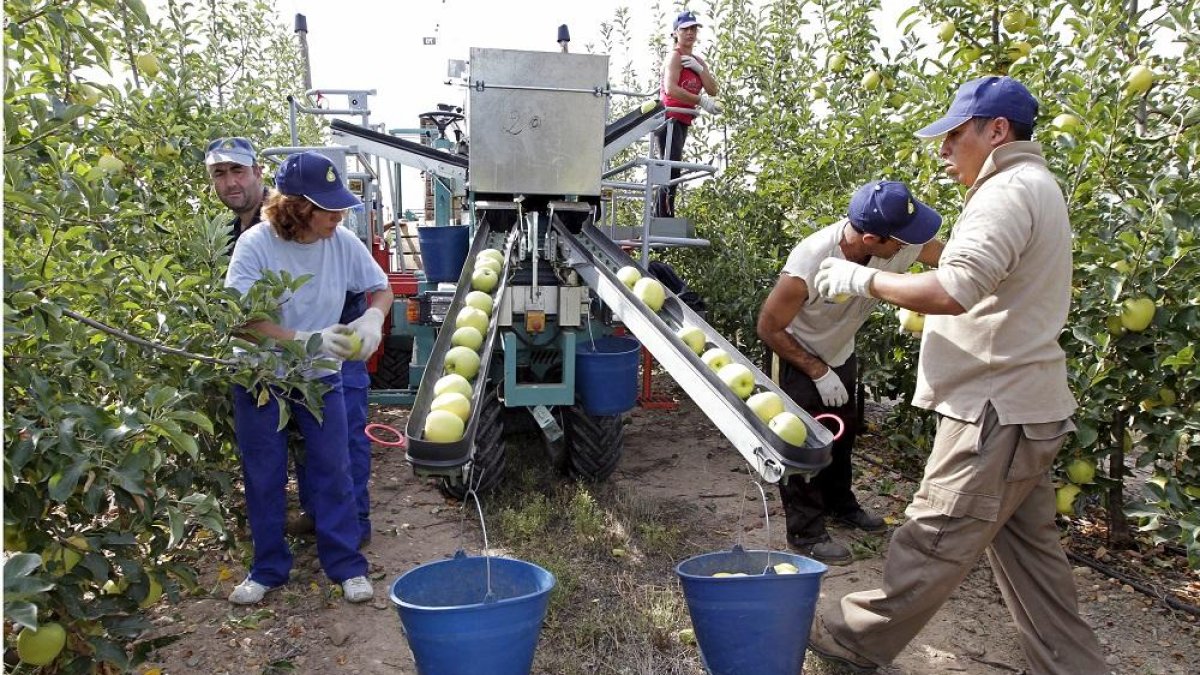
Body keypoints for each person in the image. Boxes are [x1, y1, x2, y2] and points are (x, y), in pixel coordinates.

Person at [806, 76, 1106, 673]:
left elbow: (954, 289)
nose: (941, 150)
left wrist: (862, 279)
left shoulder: (1006, 192)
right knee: (1034, 564)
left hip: (993, 411)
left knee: (932, 537)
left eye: (952, 135)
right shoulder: (1033, 185)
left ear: (996, 131)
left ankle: (851, 640)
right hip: (1027, 406)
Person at [224, 151, 392, 605]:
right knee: (264, 474)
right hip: (261, 377)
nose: (337, 216)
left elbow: (381, 288)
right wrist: (305, 340)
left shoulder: (342, 241)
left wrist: (372, 320)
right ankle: (267, 569)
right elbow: (242, 322)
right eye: (327, 208)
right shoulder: (256, 245)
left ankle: (345, 564)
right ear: (297, 208)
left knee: (333, 466)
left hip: (319, 376)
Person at [756, 180, 943, 565]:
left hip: (841, 351)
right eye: (902, 240)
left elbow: (952, 259)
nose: (911, 246)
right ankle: (806, 532)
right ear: (872, 239)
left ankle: (840, 504)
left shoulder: (900, 246)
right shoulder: (809, 262)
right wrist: (816, 370)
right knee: (802, 445)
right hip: (796, 355)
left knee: (843, 434)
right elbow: (769, 327)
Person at [654, 10, 720, 218]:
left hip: (683, 120)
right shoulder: (674, 57)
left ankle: (665, 213)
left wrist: (701, 70)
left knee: (675, 166)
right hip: (669, 118)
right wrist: (699, 100)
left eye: (693, 29)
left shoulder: (697, 61)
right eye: (685, 29)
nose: (690, 33)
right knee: (670, 166)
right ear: (676, 33)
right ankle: (662, 215)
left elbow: (713, 90)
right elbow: (671, 89)